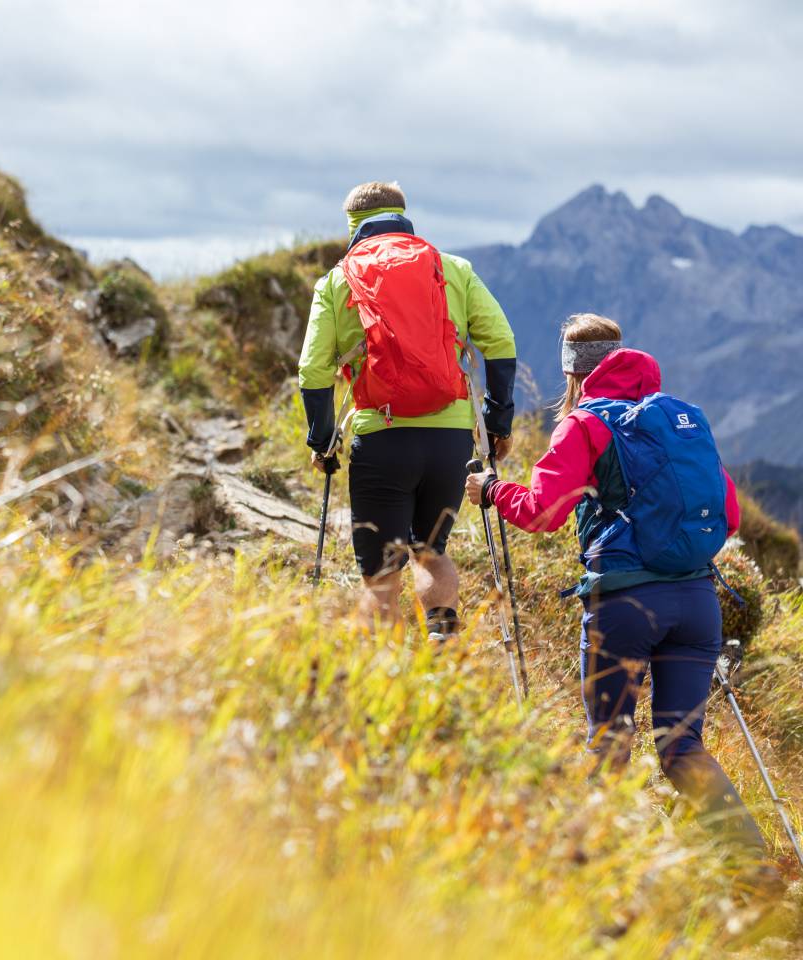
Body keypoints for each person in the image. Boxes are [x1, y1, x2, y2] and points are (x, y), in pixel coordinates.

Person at [465, 313, 770, 862]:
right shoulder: (681, 420)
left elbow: (542, 513)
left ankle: (596, 876)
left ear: (573, 373)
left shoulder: (585, 424)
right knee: (681, 748)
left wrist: (492, 490)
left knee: (609, 746)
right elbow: (729, 517)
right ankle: (757, 873)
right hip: (699, 604)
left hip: (625, 604)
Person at [299, 181, 517, 636]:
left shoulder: (337, 279)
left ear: (353, 225)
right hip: (450, 438)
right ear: (403, 215)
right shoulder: (452, 268)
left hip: (381, 435)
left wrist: (322, 440)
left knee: (381, 574)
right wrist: (498, 420)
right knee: (430, 549)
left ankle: (385, 679)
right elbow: (500, 341)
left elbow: (313, 371)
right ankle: (442, 639)